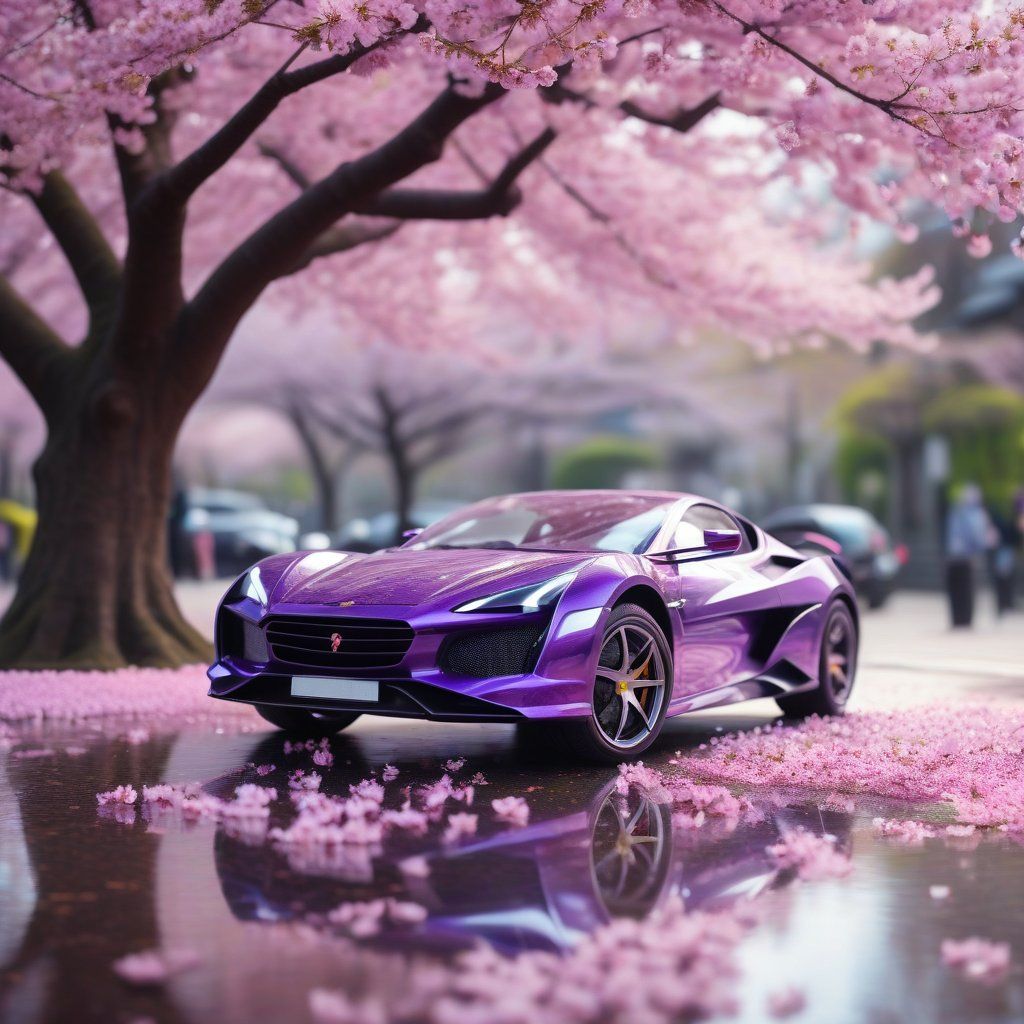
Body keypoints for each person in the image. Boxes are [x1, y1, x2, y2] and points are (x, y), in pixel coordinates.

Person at [944, 483, 995, 628]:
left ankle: (958, 619)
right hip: (966, 558)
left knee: (956, 592)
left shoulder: (956, 511)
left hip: (953, 558)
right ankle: (964, 619)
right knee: (966, 591)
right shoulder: (975, 513)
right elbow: (977, 537)